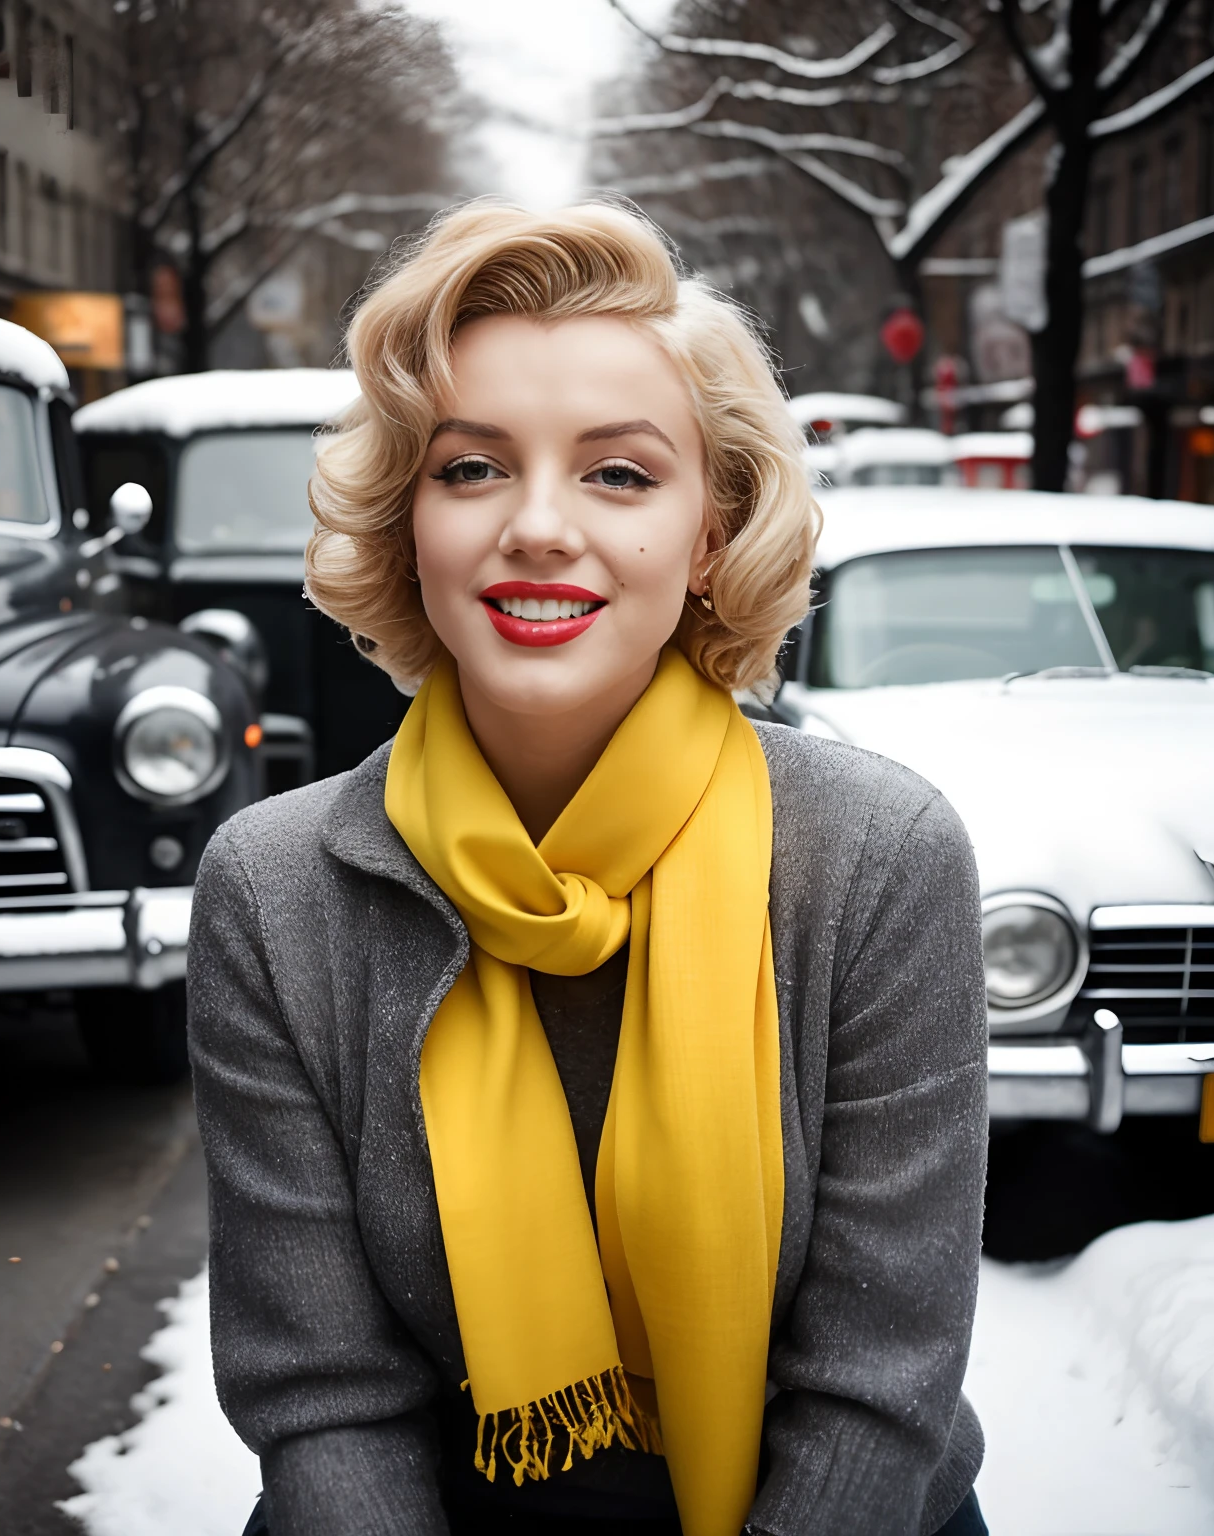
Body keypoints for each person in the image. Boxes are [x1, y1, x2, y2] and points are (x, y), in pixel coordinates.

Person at [189, 202, 989, 1536]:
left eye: (618, 474)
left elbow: (876, 1389)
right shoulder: (272, 887)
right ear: (405, 526)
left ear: (713, 536)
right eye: (470, 470)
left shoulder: (878, 859)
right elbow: (326, 1404)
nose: (541, 528)